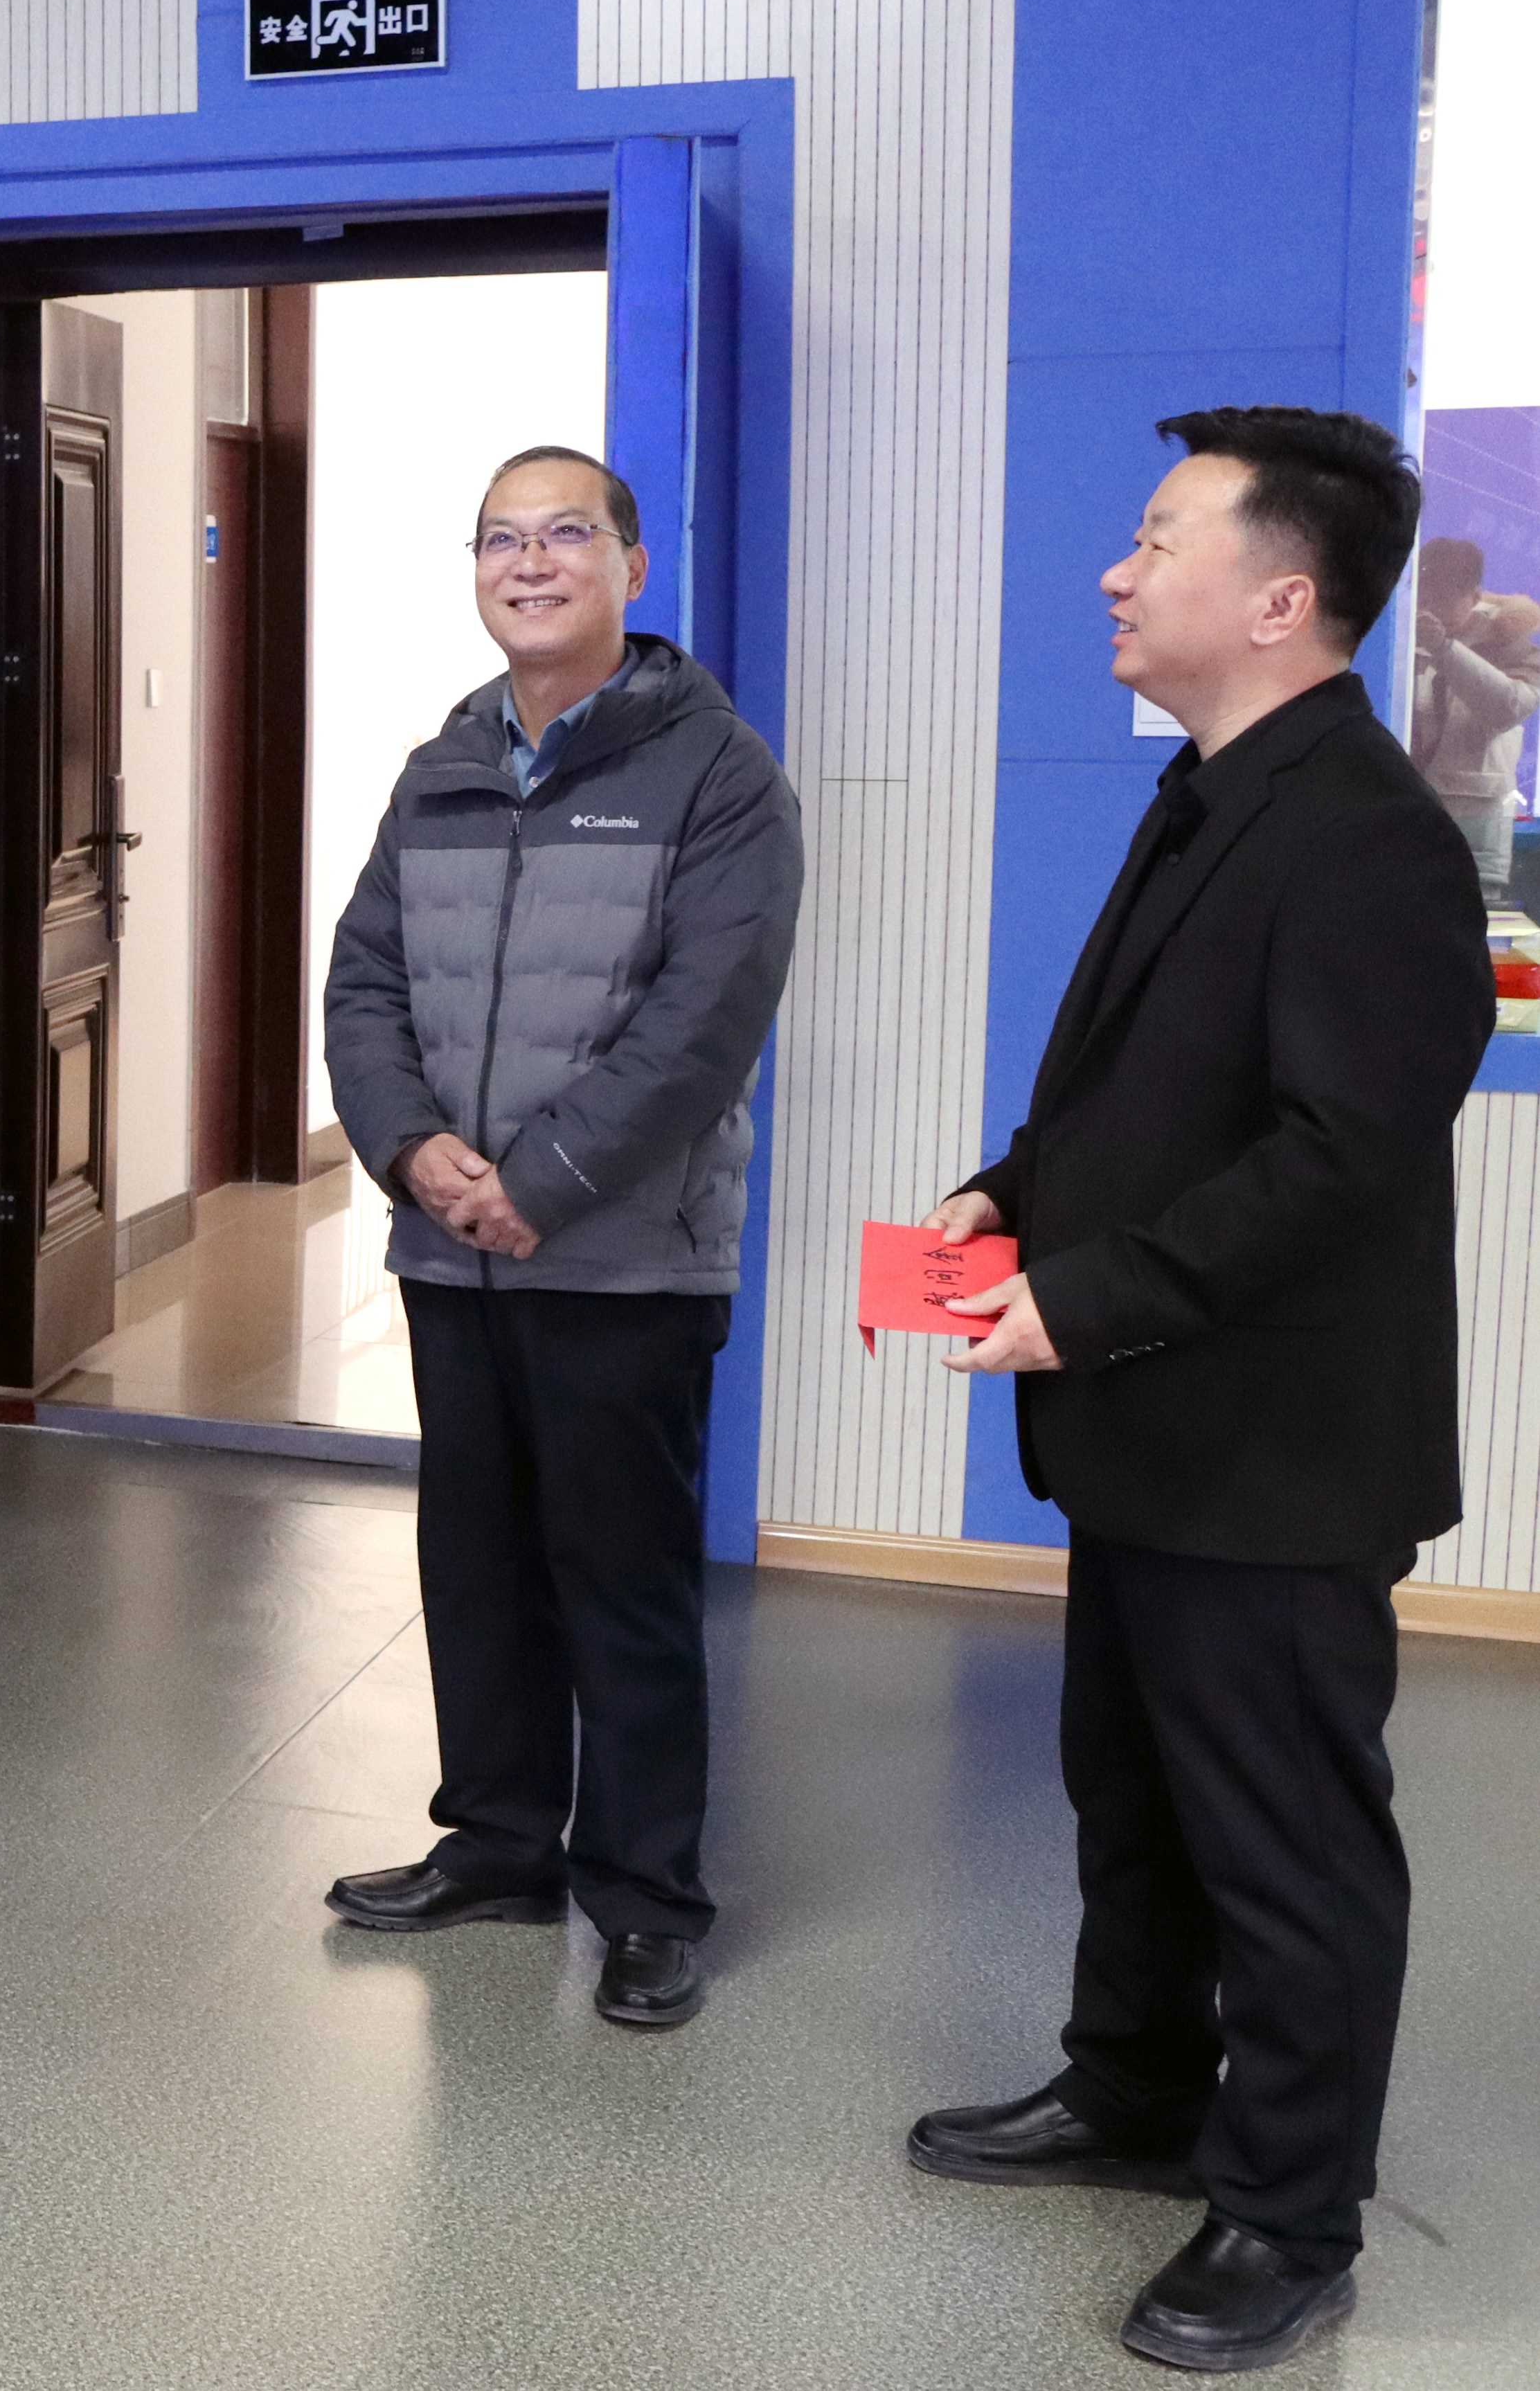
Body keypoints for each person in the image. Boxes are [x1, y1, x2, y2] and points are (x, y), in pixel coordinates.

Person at [907, 407, 1488, 2374]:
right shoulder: (1212, 790)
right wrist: (1011, 1190)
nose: (1114, 566)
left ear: (1278, 596)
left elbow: (1337, 1154)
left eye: (1156, 536)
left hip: (1273, 1447)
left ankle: (1287, 2212)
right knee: (1134, 1786)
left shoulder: (1365, 831)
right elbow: (1155, 1090)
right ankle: (1134, 2080)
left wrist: (1086, 1295)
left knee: (1284, 1839)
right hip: (1155, 1421)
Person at [318, 445, 803, 2032]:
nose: (528, 564)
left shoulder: (715, 771)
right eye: (498, 540)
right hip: (449, 1254)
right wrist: (412, 1151)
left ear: (629, 568)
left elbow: (704, 1017)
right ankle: (498, 1842)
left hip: (621, 1258)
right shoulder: (440, 767)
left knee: (622, 1579)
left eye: (564, 535)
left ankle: (647, 1895)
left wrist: (544, 1176)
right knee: (473, 1564)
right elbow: (363, 981)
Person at [1403, 537, 1534, 899]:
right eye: (1425, 597)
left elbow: (1509, 708)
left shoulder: (1513, 642)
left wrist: (1445, 649)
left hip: (1474, 837)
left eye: (1443, 600)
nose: (1430, 609)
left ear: (1474, 597)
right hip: (1404, 826)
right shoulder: (1403, 638)